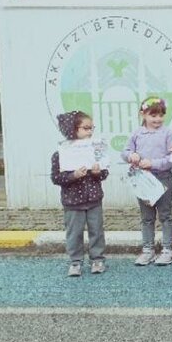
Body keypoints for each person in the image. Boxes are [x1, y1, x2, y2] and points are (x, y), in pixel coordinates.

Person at [122, 96, 172, 267]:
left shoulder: (168, 133)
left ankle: (168, 249)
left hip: (163, 179)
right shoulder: (137, 133)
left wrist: (153, 163)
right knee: (146, 217)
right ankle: (148, 249)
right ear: (143, 114)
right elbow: (125, 151)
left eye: (161, 115)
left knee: (165, 215)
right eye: (153, 115)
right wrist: (131, 155)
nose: (158, 119)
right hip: (143, 180)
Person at [51, 111, 108, 277]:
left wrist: (98, 172)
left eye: (92, 128)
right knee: (74, 232)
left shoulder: (96, 149)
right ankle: (75, 261)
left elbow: (104, 173)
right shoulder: (60, 153)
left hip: (94, 199)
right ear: (72, 129)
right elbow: (56, 177)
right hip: (72, 201)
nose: (90, 132)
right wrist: (73, 175)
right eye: (86, 128)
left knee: (96, 230)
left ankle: (97, 259)